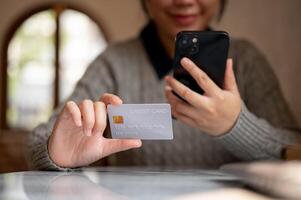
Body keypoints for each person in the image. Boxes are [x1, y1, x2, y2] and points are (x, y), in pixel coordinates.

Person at [28, 0, 300, 170]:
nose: (184, 1)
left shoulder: (246, 60)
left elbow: (294, 150)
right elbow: (38, 142)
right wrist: (58, 153)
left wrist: (235, 126)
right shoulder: (113, 63)